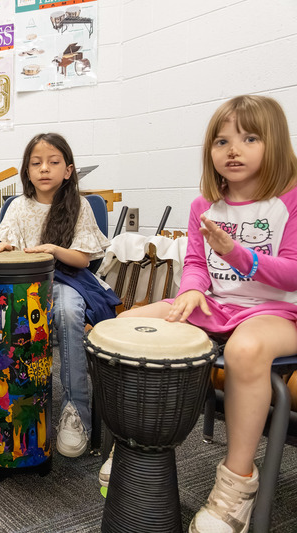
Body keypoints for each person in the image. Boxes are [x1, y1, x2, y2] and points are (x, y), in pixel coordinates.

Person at [118, 94, 297, 532]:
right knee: (127, 325)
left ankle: (237, 485)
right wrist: (193, 291)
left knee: (245, 350)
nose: (232, 149)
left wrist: (237, 254)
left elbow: (291, 275)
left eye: (249, 138)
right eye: (222, 141)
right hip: (217, 307)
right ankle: (134, 450)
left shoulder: (289, 201)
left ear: (274, 143)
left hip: (278, 313)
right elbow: (196, 264)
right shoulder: (204, 205)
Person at [0, 133, 117, 458]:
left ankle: (75, 413)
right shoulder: (17, 206)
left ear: (68, 170)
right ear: (26, 172)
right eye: (36, 163)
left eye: (53, 162)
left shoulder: (79, 205)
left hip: (68, 279)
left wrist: (53, 249)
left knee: (68, 311)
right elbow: (9, 244)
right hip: (27, 284)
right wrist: (4, 247)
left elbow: (83, 260)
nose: (44, 169)